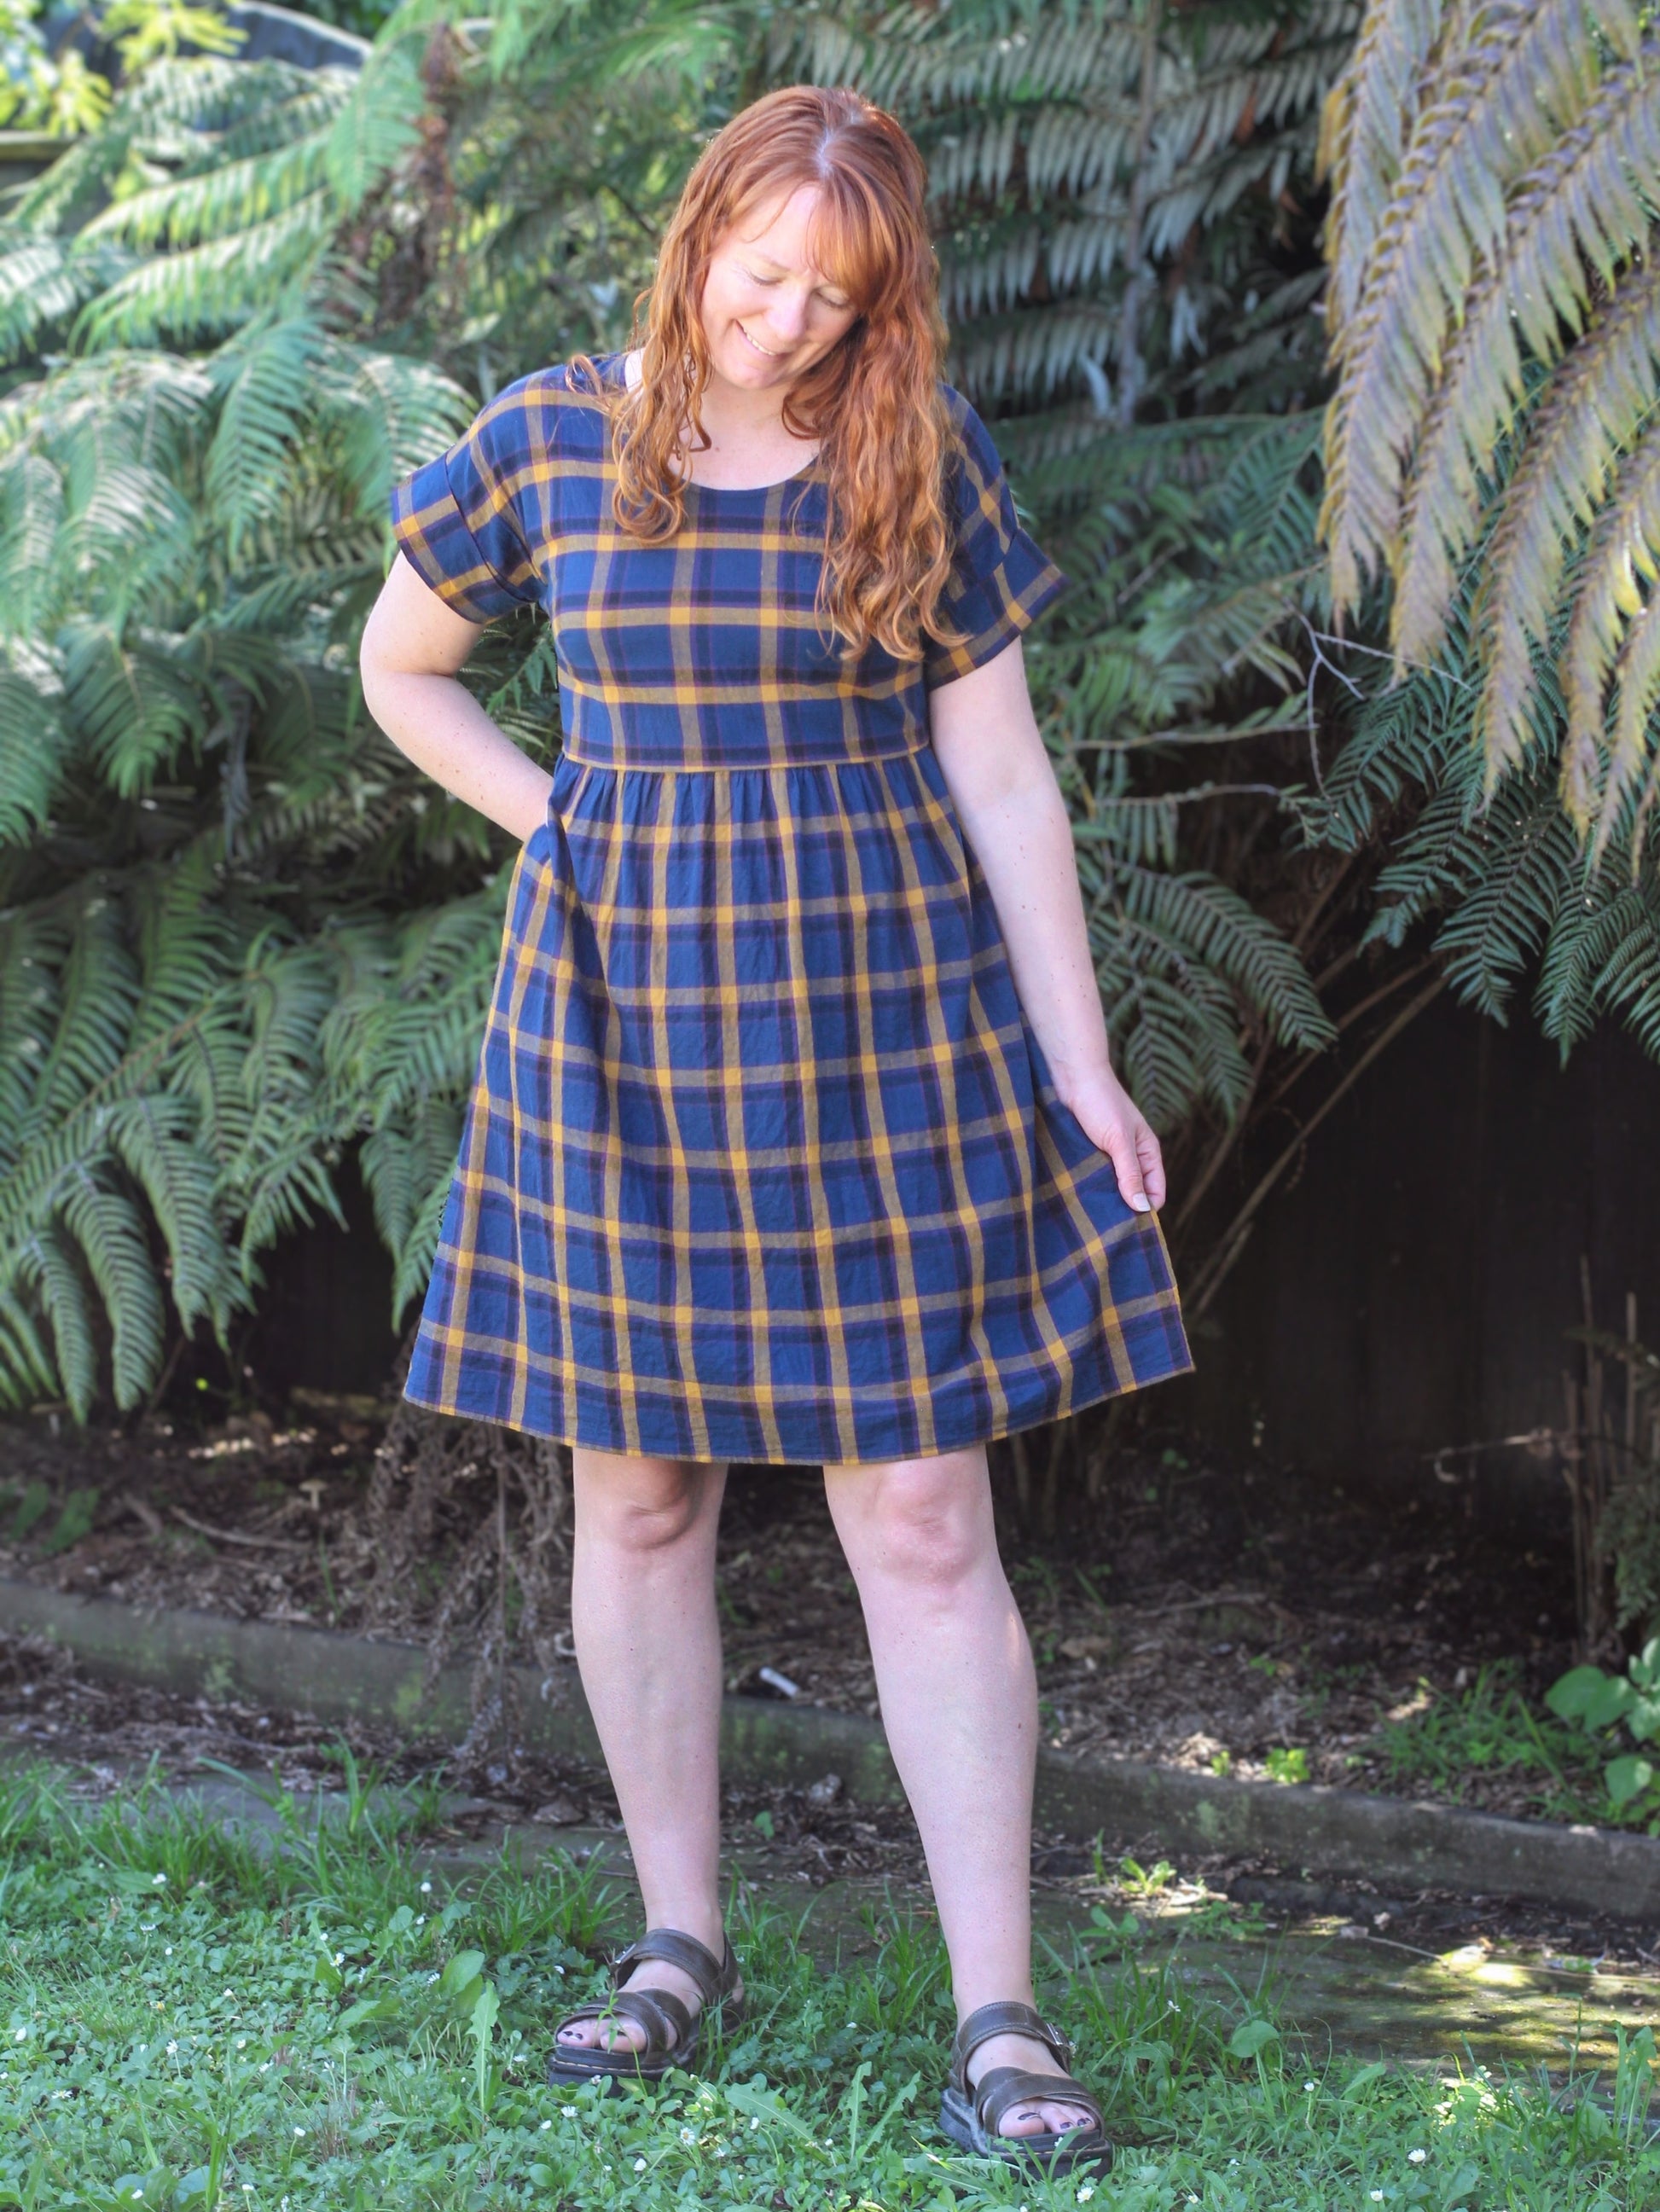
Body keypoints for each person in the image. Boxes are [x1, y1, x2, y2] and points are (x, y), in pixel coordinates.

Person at [359, 81, 1193, 2172]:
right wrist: (561, 816)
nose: (786, 320)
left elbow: (1003, 779)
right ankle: (679, 1946)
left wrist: (1081, 1059)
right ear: (697, 234)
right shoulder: (553, 438)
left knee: (918, 1512)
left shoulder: (913, 447)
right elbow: (401, 668)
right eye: (760, 273)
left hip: (880, 1018)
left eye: (833, 294)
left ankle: (998, 2015)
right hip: (622, 1025)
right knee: (640, 1498)